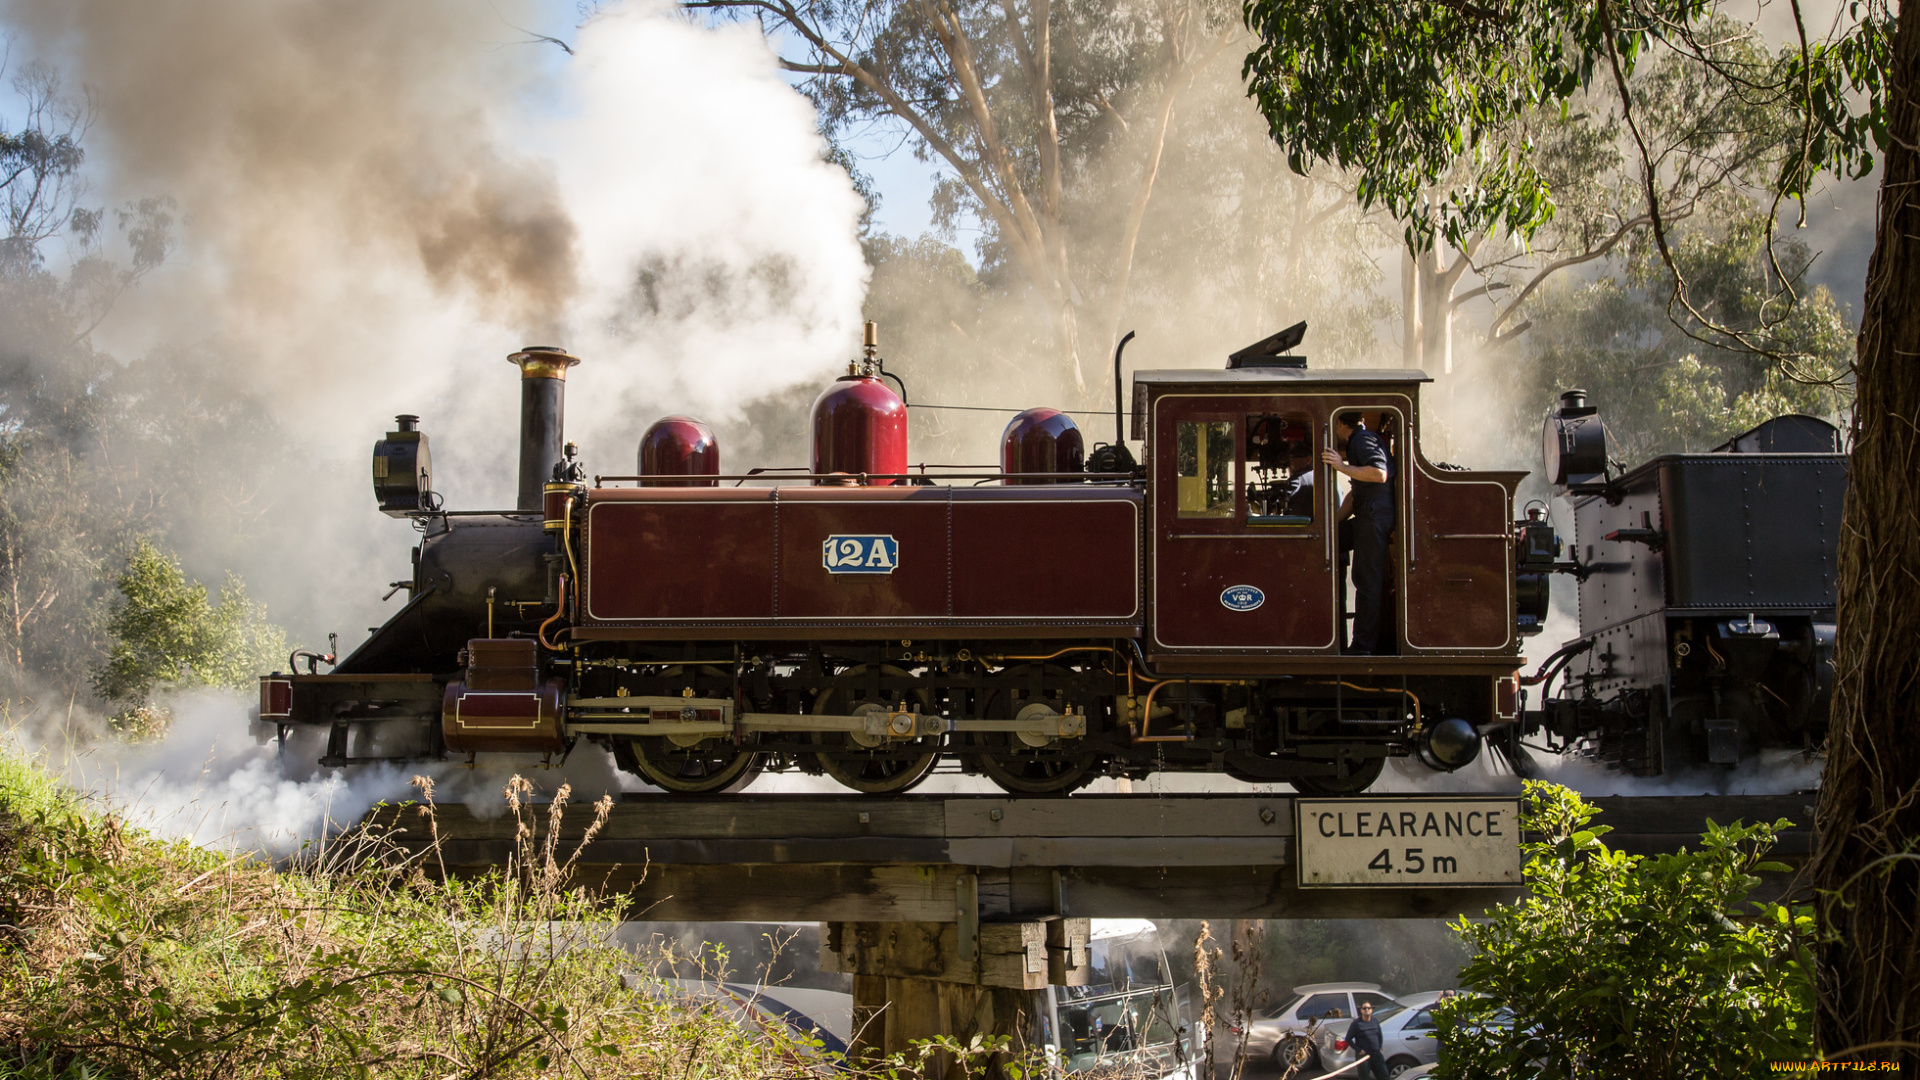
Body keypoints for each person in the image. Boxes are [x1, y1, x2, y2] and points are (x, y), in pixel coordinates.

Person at [1321, 411, 1395, 654]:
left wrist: (1341, 466)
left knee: (1367, 582)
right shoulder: (1359, 441)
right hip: (1368, 516)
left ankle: (1363, 647)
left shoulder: (1363, 440)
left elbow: (1378, 473)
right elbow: (1355, 495)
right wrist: (1329, 526)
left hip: (1373, 519)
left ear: (1340, 423)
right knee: (1334, 540)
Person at [1347, 1000, 1388, 1080]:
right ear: (1361, 1010)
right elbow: (1348, 1039)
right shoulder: (1356, 1023)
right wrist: (1359, 1050)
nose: (1367, 1010)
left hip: (1376, 1054)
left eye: (1369, 1008)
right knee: (1364, 1078)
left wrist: (1380, 1047)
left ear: (1371, 1010)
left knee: (1384, 1076)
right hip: (1364, 1056)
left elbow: (1379, 1035)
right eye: (1364, 1008)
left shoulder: (1375, 1021)